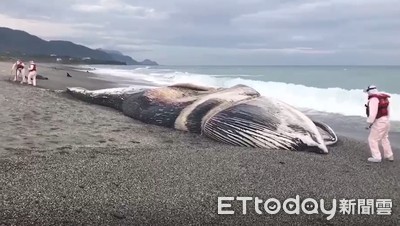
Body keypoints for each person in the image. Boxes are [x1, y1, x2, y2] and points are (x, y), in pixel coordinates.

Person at [364, 85, 394, 163]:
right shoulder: (383, 97)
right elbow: (388, 110)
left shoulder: (373, 99)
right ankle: (389, 155)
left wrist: (368, 123)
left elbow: (373, 114)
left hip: (379, 122)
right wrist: (387, 119)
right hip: (386, 120)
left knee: (372, 139)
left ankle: (376, 157)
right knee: (384, 138)